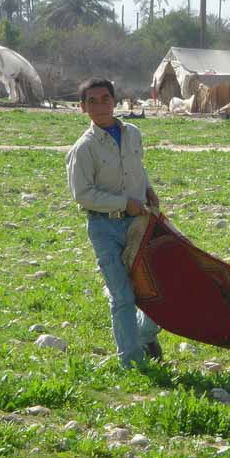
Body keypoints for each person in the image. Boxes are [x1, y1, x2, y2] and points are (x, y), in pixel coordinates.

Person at [65, 77, 163, 368]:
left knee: (159, 289)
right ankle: (132, 365)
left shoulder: (133, 133)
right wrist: (124, 204)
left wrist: (148, 190)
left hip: (139, 224)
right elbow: (83, 195)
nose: (99, 105)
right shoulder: (83, 149)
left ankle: (145, 335)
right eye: (91, 101)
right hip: (105, 227)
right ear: (83, 108)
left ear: (115, 101)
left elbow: (137, 168)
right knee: (122, 297)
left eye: (105, 98)